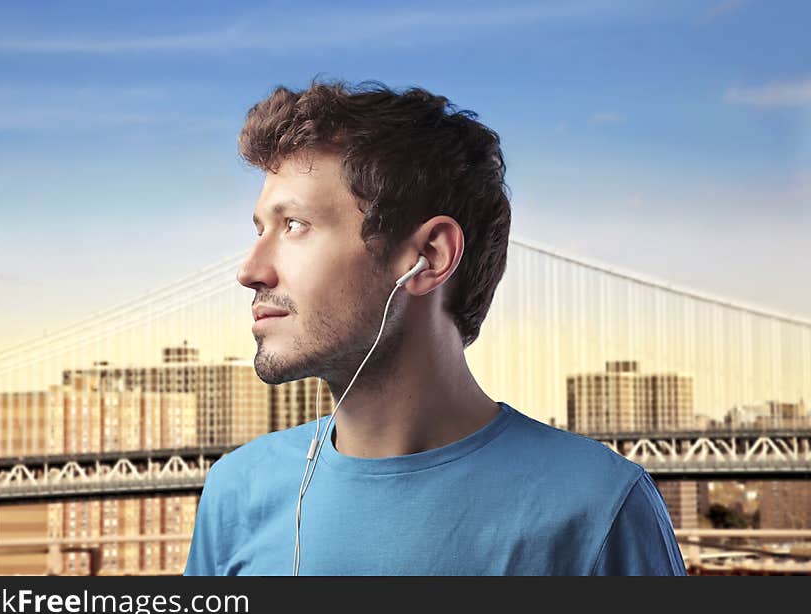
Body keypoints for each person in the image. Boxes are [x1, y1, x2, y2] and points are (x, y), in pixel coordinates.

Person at [184, 79, 687, 576]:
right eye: (259, 230)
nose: (249, 271)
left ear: (429, 257)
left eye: (294, 225)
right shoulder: (235, 492)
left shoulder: (599, 508)